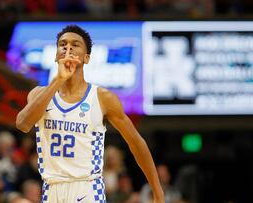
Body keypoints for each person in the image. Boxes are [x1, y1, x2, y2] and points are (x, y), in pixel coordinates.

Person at [16, 24, 164, 203]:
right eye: (62, 44)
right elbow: (22, 124)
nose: (68, 48)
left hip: (86, 188)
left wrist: (157, 192)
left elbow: (137, 143)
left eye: (75, 44)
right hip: (51, 188)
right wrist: (58, 80)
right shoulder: (39, 94)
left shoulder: (102, 98)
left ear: (86, 58)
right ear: (56, 55)